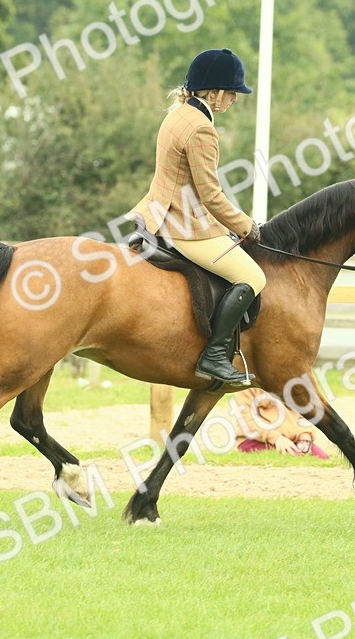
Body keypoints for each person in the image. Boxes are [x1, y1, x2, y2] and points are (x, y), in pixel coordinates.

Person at [129, 48, 264, 387]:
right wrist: (245, 224)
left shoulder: (177, 114)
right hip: (183, 224)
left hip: (157, 211)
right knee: (253, 276)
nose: (234, 99)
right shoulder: (201, 128)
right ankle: (215, 356)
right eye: (231, 92)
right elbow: (210, 195)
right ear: (213, 91)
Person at [230, 387, 330, 459]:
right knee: (297, 458)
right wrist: (276, 438)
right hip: (256, 441)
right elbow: (248, 423)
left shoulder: (287, 381)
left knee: (323, 458)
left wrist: (305, 436)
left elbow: (302, 414)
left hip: (292, 440)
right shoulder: (246, 387)